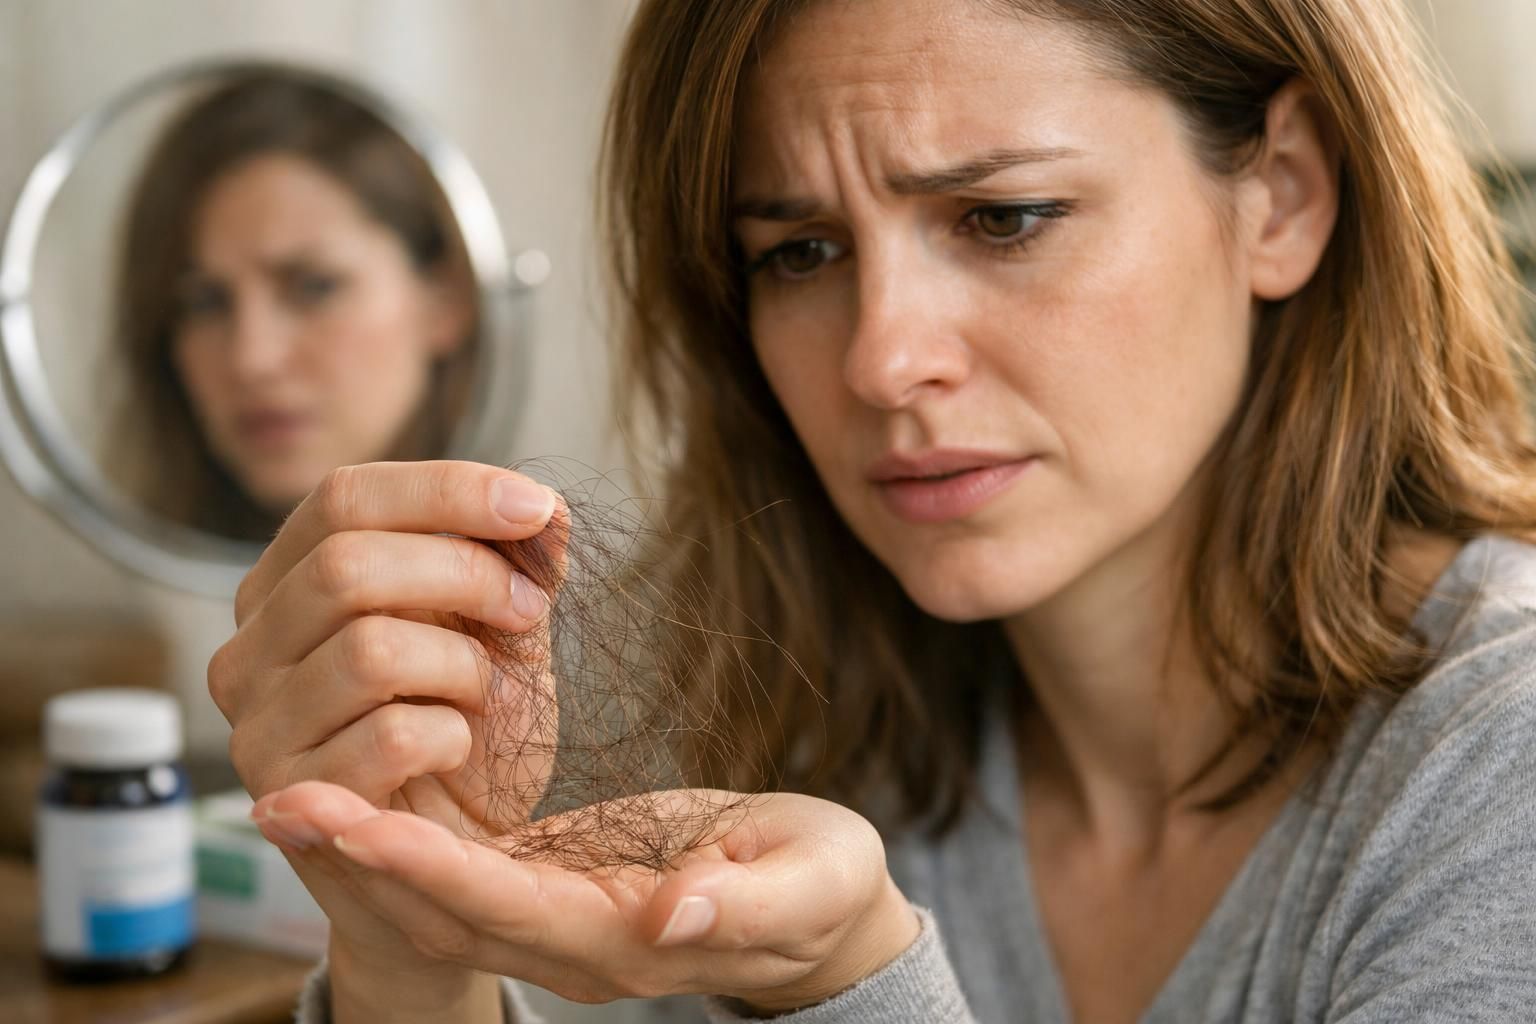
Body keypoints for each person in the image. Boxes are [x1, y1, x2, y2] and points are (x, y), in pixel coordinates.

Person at [208, 0, 1536, 1021]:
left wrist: (850, 984)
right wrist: (407, 941)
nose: (880, 361)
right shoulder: (757, 711)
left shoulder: (1497, 768)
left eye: (1003, 217)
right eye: (800, 253)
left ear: (1284, 195)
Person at [107, 71, 477, 541]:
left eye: (314, 287)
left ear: (446, 299)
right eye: (204, 302)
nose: (251, 360)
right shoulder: (113, 607)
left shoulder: (559, 593)